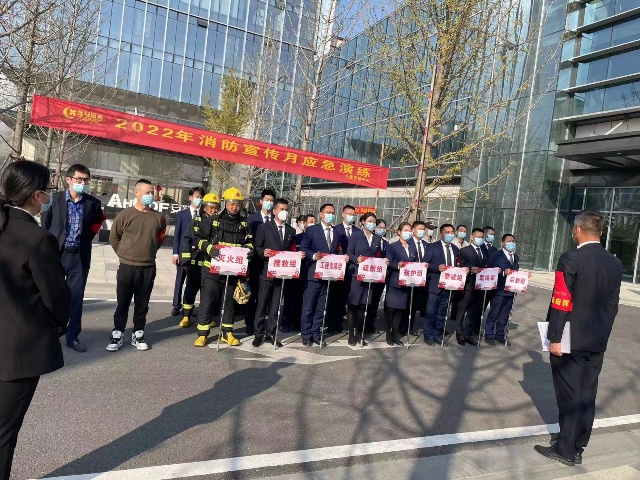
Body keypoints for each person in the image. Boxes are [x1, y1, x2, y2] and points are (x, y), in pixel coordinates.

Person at [0, 161, 71, 480]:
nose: (50, 196)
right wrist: (58, 325)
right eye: (48, 190)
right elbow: (56, 297)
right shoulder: (36, 238)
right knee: (4, 433)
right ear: (36, 195)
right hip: (18, 353)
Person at [534, 211, 622, 467]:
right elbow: (613, 305)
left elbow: (561, 300)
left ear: (577, 230)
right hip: (596, 339)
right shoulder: (614, 263)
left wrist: (554, 337)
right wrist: (602, 334)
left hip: (570, 338)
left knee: (569, 395)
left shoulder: (571, 258)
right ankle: (578, 445)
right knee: (586, 394)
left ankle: (565, 449)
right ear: (601, 233)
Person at [41, 164, 105, 353]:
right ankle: (49, 332)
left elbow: (96, 223)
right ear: (68, 179)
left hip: (79, 255)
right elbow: (45, 225)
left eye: (86, 180)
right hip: (57, 254)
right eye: (79, 179)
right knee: (51, 295)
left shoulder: (93, 203)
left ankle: (73, 336)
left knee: (76, 298)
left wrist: (85, 240)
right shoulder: (54, 199)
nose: (82, 183)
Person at [107, 179, 167, 352]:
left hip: (148, 267)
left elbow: (159, 240)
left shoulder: (159, 218)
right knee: (123, 302)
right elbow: (114, 238)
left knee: (142, 304)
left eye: (152, 192)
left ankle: (138, 333)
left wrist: (147, 253)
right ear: (137, 193)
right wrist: (124, 255)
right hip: (127, 267)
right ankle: (118, 333)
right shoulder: (125, 215)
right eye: (148, 192)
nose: (151, 195)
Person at [193, 187, 253, 347]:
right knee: (207, 303)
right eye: (232, 203)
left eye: (238, 204)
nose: (235, 207)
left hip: (232, 272)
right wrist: (208, 248)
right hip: (211, 271)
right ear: (225, 203)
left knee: (229, 304)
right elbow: (197, 238)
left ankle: (227, 333)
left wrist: (249, 250)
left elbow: (249, 242)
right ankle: (202, 334)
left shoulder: (244, 223)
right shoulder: (213, 220)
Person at [253, 198, 300, 347]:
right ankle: (258, 334)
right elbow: (257, 247)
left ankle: (271, 334)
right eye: (281, 209)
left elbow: (291, 250)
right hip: (266, 272)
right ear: (274, 211)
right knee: (262, 305)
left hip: (282, 274)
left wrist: (297, 256)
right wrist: (263, 252)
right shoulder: (264, 227)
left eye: (286, 210)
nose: (284, 212)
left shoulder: (291, 231)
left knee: (275, 306)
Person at [300, 203, 348, 347]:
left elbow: (337, 250)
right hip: (313, 274)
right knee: (309, 307)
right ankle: (306, 335)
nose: (330, 215)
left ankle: (316, 333)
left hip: (328, 275)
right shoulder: (312, 230)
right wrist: (313, 255)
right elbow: (304, 247)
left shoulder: (337, 232)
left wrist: (342, 257)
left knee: (321, 307)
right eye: (328, 212)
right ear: (321, 214)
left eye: (332, 212)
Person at [178, 192, 220, 328]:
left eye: (216, 207)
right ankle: (186, 316)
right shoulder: (197, 220)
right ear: (204, 207)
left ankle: (206, 318)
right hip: (196, 261)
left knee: (207, 293)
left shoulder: (219, 221)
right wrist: (186, 261)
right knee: (191, 289)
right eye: (211, 207)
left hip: (210, 263)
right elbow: (187, 240)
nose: (213, 210)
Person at [346, 212, 387, 346]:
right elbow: (349, 253)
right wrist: (356, 260)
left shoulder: (377, 238)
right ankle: (351, 335)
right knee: (353, 305)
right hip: (356, 275)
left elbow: (378, 255)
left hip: (370, 276)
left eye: (374, 222)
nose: (372, 224)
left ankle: (359, 334)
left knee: (364, 306)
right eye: (369, 221)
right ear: (363, 222)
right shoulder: (356, 235)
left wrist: (383, 261)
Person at [245, 188, 276, 335]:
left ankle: (263, 325)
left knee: (266, 298)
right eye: (267, 200)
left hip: (270, 264)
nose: (269, 203)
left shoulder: (276, 220)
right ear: (261, 201)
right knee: (253, 295)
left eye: (271, 201)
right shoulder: (252, 219)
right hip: (255, 263)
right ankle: (250, 324)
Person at [423, 224, 461, 346]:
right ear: (441, 234)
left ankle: (438, 334)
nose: (450, 234)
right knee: (431, 312)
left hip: (449, 285)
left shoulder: (455, 249)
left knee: (442, 313)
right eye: (447, 232)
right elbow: (425, 264)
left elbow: (457, 265)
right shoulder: (432, 247)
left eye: (452, 232)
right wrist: (436, 267)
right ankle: (428, 335)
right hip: (435, 284)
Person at [171, 187, 205, 317]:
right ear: (190, 198)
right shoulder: (182, 214)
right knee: (180, 279)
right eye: (197, 196)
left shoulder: (204, 215)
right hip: (183, 253)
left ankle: (190, 306)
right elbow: (177, 236)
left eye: (201, 197)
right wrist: (175, 253)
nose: (199, 199)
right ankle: (176, 305)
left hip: (198, 254)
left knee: (194, 282)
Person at [485, 234, 524, 345]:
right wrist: (502, 273)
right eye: (509, 241)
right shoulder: (495, 255)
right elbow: (490, 271)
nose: (512, 243)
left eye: (513, 241)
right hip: (499, 290)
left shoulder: (515, 257)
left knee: (505, 315)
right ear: (503, 243)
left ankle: (500, 335)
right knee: (494, 313)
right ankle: (489, 334)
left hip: (511, 290)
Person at [384, 223, 418, 346]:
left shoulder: (412, 247)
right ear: (399, 232)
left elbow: (415, 263)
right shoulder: (392, 246)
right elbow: (388, 262)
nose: (408, 232)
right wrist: (397, 265)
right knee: (391, 310)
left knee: (399, 310)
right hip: (394, 281)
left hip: (406, 282)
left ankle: (395, 335)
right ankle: (388, 335)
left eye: (409, 230)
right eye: (405, 230)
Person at [455, 228, 488, 346]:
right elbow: (460, 266)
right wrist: (470, 270)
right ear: (472, 237)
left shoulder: (484, 250)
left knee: (473, 312)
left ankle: (468, 334)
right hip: (468, 284)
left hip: (480, 285)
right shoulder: (464, 250)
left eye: (482, 237)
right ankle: (459, 334)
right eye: (478, 237)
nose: (480, 239)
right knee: (462, 310)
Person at [329, 204, 358, 333]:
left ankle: (346, 323)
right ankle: (333, 324)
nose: (351, 216)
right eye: (349, 214)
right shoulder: (336, 229)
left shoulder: (358, 232)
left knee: (348, 297)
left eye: (353, 215)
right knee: (335, 297)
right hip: (338, 268)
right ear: (343, 214)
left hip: (352, 269)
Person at [286, 214, 316, 333]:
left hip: (310, 273)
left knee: (306, 302)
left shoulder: (318, 238)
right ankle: (287, 323)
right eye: (310, 221)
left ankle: (301, 324)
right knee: (292, 299)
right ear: (304, 223)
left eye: (315, 222)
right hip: (296, 273)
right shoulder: (297, 237)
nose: (313, 224)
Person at [403, 220, 429, 336]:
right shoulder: (407, 243)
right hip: (408, 277)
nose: (422, 231)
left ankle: (410, 326)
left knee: (414, 304)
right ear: (413, 230)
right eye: (420, 229)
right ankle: (402, 326)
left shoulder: (426, 245)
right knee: (406, 303)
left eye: (423, 229)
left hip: (421, 279)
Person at [364, 218, 389, 334]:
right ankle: (362, 324)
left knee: (375, 301)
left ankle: (370, 324)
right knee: (367, 301)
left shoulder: (386, 243)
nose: (382, 230)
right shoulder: (370, 240)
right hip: (369, 274)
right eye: (380, 227)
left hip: (380, 276)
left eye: (384, 228)